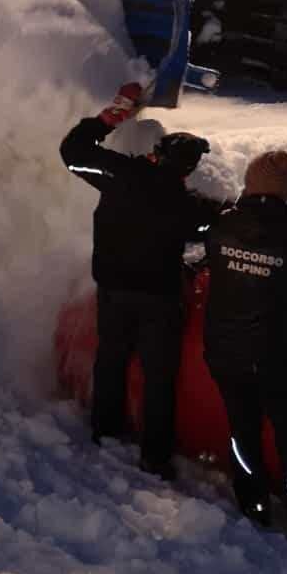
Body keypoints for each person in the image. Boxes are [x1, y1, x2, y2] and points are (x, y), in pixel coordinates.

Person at [59, 83, 225, 481]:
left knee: (111, 358)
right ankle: (155, 454)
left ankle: (105, 429)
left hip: (113, 290)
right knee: (159, 376)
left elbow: (73, 155)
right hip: (159, 300)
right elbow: (221, 228)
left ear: (155, 154)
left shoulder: (120, 174)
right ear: (188, 171)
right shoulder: (190, 207)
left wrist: (107, 119)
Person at [204, 150, 287, 550]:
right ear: (285, 189)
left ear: (250, 183)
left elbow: (212, 265)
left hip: (224, 350)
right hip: (273, 356)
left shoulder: (221, 228)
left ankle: (253, 504)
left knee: (242, 430)